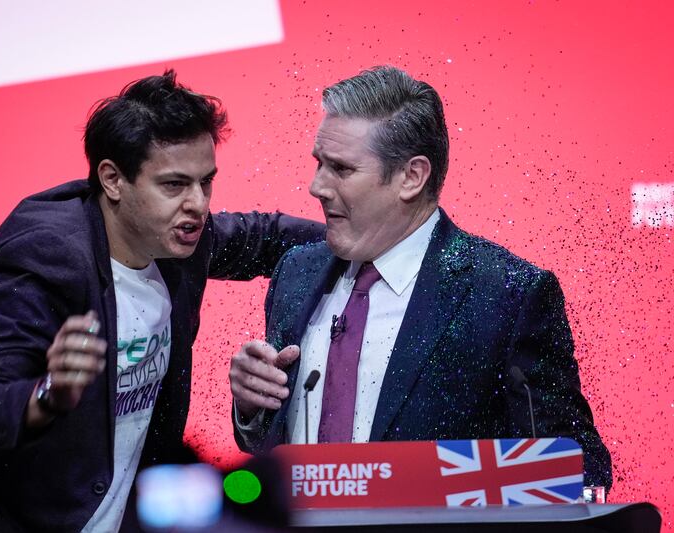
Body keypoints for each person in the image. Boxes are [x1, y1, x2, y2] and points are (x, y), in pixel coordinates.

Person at [0, 70, 323, 532]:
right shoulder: (47, 260)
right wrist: (48, 395)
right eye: (173, 185)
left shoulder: (178, 239)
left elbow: (270, 238)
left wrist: (370, 238)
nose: (198, 203)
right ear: (112, 179)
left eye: (205, 182)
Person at [229, 66, 612, 491]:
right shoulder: (295, 274)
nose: (316, 186)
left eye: (340, 169)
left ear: (412, 177)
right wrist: (252, 408)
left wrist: (427, 487)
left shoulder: (506, 295)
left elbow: (575, 470)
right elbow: (274, 449)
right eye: (319, 164)